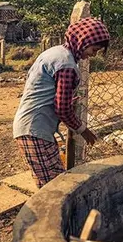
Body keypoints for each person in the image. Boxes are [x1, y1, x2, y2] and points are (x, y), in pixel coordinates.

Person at [13, 17, 110, 189]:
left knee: (51, 183)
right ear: (83, 41)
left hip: (32, 127)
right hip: (35, 130)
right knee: (53, 189)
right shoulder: (67, 65)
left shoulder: (55, 53)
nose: (93, 55)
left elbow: (45, 90)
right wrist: (83, 130)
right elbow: (62, 109)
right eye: (94, 49)